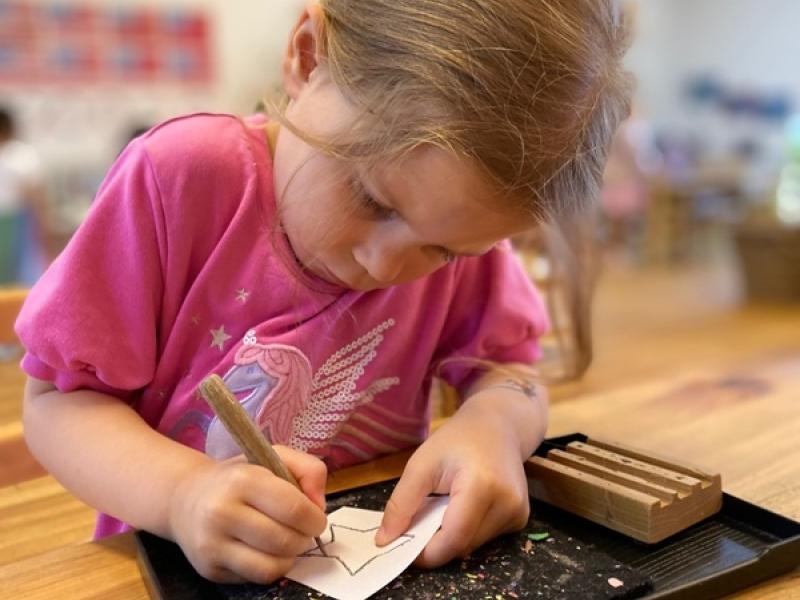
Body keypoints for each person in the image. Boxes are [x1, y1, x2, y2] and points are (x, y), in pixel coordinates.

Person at [16, 0, 631, 585]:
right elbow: (59, 404)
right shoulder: (177, 179)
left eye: (444, 251)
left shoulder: (461, 224)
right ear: (308, 58)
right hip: (178, 568)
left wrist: (494, 424)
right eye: (372, 199)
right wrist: (182, 494)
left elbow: (508, 370)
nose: (383, 265)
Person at [0, 107, 48, 285]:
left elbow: (35, 193)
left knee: (20, 269)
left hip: (17, 219)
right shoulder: (20, 155)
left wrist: (41, 224)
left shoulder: (20, 155)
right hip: (13, 217)